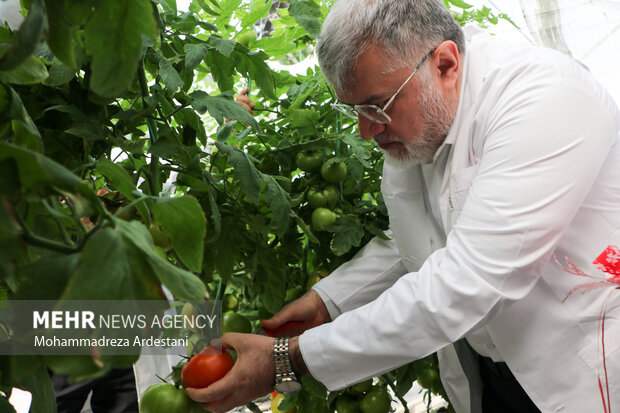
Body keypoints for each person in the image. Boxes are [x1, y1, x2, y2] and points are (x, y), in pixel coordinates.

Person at [185, 0, 620, 412]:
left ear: (445, 63)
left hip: (577, 369)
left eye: (376, 105)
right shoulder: (420, 122)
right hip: (494, 376)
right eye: (353, 109)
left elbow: (472, 279)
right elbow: (423, 233)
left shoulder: (541, 97)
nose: (365, 130)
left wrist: (291, 359)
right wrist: (330, 300)